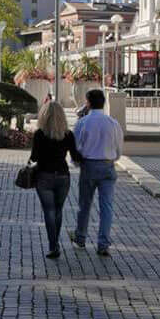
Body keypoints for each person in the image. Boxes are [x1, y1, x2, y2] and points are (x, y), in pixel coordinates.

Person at [70, 89, 123, 257]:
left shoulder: (82, 123)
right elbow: (119, 148)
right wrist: (112, 158)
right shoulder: (113, 123)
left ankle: (80, 236)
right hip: (107, 165)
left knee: (85, 204)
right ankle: (103, 243)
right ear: (104, 103)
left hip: (89, 165)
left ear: (88, 103)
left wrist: (77, 163)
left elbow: (76, 147)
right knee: (106, 206)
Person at [30, 101, 80, 259]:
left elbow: (34, 157)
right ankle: (55, 242)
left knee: (49, 211)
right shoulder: (68, 134)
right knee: (58, 210)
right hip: (63, 176)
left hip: (44, 175)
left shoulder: (39, 134)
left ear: (44, 116)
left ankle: (53, 246)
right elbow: (75, 156)